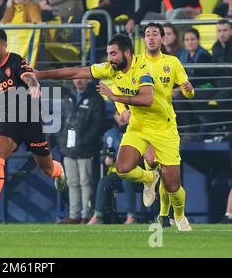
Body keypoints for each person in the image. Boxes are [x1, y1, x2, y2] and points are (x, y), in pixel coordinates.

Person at [36, 34, 193, 231]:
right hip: (138, 127)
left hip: (164, 128)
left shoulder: (143, 68)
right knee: (123, 168)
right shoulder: (111, 69)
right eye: (108, 54)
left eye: (113, 54)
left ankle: (179, 215)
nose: (110, 58)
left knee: (172, 186)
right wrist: (41, 75)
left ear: (127, 52)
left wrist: (113, 96)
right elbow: (76, 72)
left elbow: (147, 99)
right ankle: (149, 178)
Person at [0, 28, 67, 222]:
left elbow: (29, 77)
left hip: (31, 122)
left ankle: (59, 172)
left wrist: (34, 86)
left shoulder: (16, 60)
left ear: (3, 45)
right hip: (8, 123)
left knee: (47, 169)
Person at [134, 22, 194, 228]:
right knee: (151, 161)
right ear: (143, 40)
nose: (151, 37)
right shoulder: (134, 63)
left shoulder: (173, 62)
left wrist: (188, 89)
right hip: (142, 125)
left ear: (162, 39)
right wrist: (123, 112)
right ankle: (149, 179)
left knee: (170, 178)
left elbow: (188, 91)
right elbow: (118, 87)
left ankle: (171, 215)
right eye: (147, 34)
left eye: (155, 34)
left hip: (166, 125)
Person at [57, 78, 105, 224]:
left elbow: (97, 125)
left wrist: (84, 141)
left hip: (86, 149)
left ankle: (86, 214)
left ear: (88, 80)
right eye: (76, 78)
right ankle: (74, 215)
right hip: (68, 148)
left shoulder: (96, 99)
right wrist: (61, 141)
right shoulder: (67, 98)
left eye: (82, 78)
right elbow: (61, 122)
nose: (79, 81)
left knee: (86, 182)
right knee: (72, 182)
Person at [87, 110, 140, 225]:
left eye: (123, 113)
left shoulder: (137, 133)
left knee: (127, 181)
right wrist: (105, 159)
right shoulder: (109, 134)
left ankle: (131, 216)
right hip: (117, 173)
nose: (120, 117)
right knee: (104, 181)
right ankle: (98, 215)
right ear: (114, 116)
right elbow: (102, 154)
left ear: (130, 115)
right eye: (117, 114)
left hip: (135, 174)